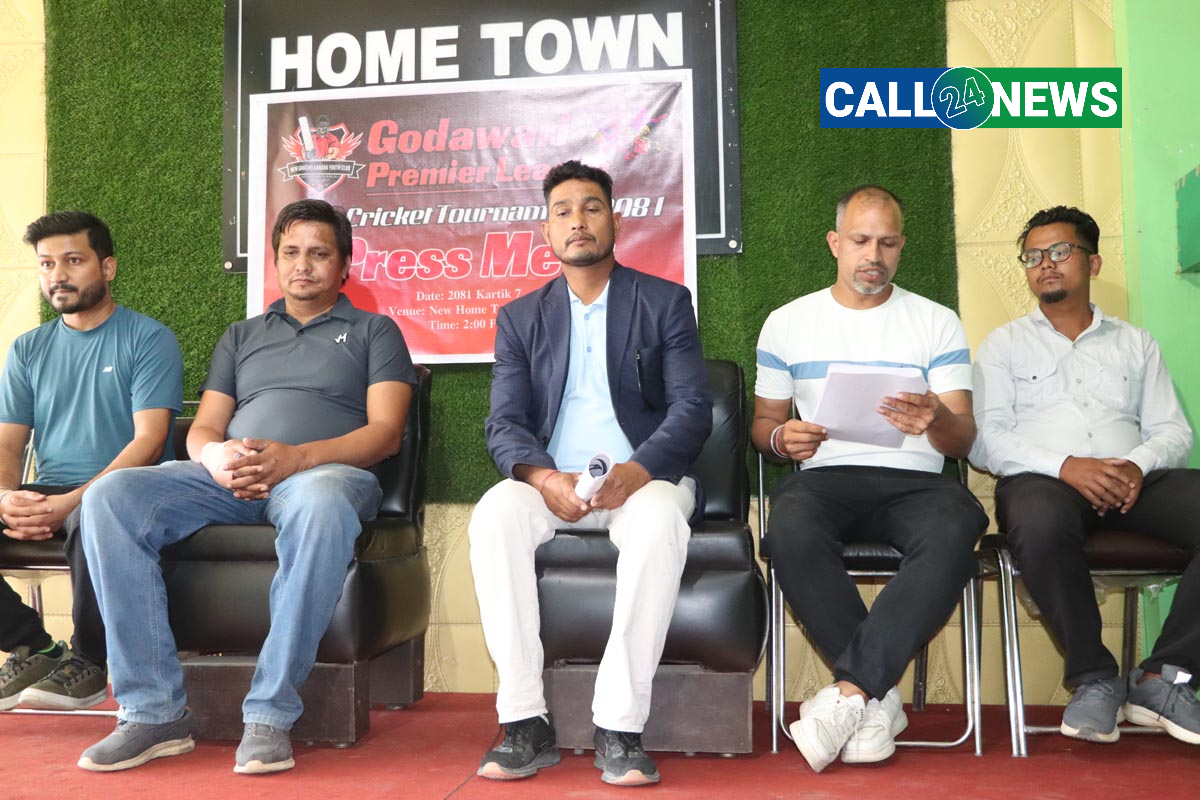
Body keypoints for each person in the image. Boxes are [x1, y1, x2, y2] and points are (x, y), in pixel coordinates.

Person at [77, 199, 417, 774]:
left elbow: (385, 435)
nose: (302, 265)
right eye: (290, 252)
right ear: (275, 261)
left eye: (318, 253)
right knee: (110, 496)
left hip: (323, 475)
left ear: (344, 265)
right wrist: (217, 457)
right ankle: (152, 712)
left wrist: (297, 458)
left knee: (319, 503)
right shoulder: (241, 335)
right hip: (231, 479)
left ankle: (269, 716)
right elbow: (204, 428)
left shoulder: (374, 331)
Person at [468, 160, 712, 787]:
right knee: (494, 514)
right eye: (563, 211)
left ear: (615, 221)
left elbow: (691, 409)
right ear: (546, 231)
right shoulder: (520, 317)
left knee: (658, 521)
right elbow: (504, 423)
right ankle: (524, 720)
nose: (577, 220)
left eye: (592, 207)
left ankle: (619, 726)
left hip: (642, 480)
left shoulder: (664, 302)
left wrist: (638, 469)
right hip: (557, 483)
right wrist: (545, 479)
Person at [753, 185, 987, 772]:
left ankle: (853, 694)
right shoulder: (786, 323)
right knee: (788, 527)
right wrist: (782, 440)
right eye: (860, 240)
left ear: (902, 246)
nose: (873, 256)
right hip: (824, 478)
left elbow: (963, 440)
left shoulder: (936, 322)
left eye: (887, 243)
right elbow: (764, 426)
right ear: (835, 243)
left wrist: (937, 418)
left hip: (917, 481)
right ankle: (878, 699)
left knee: (958, 523)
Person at [971, 205, 1200, 745]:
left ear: (1093, 263)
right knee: (1038, 520)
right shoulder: (1004, 345)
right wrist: (1068, 467)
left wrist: (1136, 465)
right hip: (1045, 481)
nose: (1045, 264)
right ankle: (1095, 678)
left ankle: (1163, 678)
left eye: (1060, 251)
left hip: (1133, 482)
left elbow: (1173, 431)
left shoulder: (1135, 342)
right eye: (1033, 256)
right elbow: (987, 440)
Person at [0, 211, 182, 712]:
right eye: (46, 264)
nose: (57, 275)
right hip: (51, 490)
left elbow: (150, 442)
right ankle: (34, 647)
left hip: (129, 491)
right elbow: (8, 445)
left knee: (96, 511)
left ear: (108, 268)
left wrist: (72, 502)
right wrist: (6, 496)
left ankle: (90, 662)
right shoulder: (28, 349)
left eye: (73, 261)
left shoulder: (148, 338)